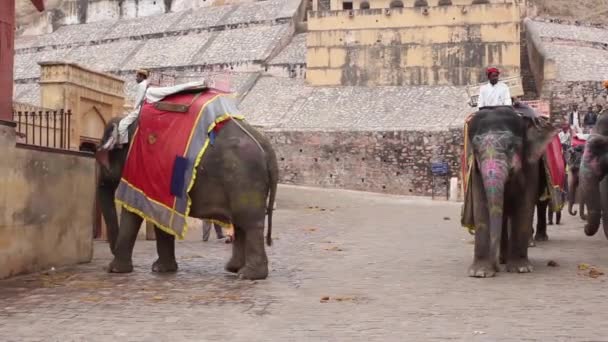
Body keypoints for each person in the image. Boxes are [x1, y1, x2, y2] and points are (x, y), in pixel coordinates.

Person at [98, 69, 150, 151]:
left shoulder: (141, 85)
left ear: (142, 76)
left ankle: (121, 143)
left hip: (139, 109)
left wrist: (134, 109)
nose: (136, 78)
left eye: (137, 76)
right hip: (143, 108)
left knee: (122, 124)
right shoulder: (145, 84)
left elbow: (139, 99)